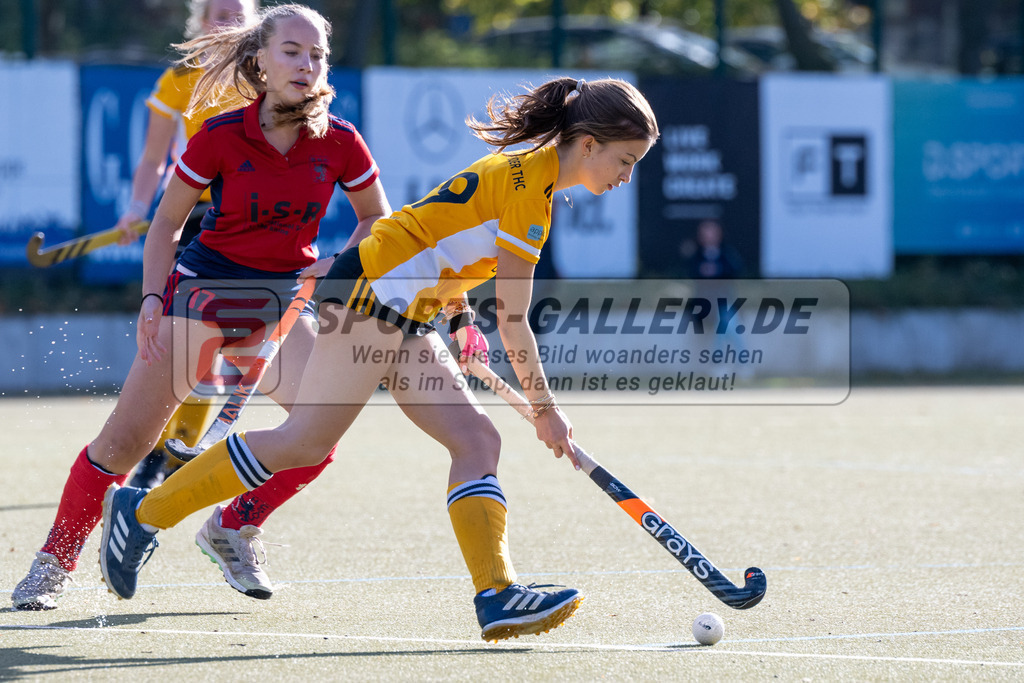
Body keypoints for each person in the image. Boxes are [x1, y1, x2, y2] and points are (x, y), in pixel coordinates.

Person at [99, 75, 660, 643]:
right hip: (372, 291)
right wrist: (545, 409)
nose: (626, 176)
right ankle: (141, 514)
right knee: (306, 439)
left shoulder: (527, 177)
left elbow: (438, 230)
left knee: (476, 440)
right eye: (626, 159)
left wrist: (461, 318)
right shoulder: (528, 194)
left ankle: (497, 594)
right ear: (587, 144)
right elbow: (515, 319)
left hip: (406, 305)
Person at [12, 4, 390, 610]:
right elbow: (165, 223)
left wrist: (336, 266)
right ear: (260, 63)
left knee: (317, 435)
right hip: (204, 292)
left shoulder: (341, 141)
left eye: (317, 54)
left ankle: (231, 527)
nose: (307, 64)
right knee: (123, 445)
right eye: (292, 51)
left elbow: (376, 218)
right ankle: (54, 562)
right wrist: (153, 300)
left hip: (282, 299)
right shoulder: (221, 134)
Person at [115, 0, 261, 493]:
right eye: (217, 13)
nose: (226, 22)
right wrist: (138, 208)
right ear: (199, 23)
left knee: (220, 347)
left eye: (236, 12)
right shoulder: (181, 78)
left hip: (253, 220)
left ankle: (178, 455)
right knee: (196, 343)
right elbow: (154, 158)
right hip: (198, 215)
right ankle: (163, 455)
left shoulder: (267, 73)